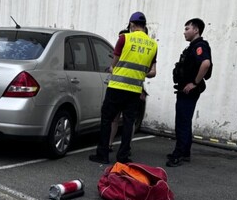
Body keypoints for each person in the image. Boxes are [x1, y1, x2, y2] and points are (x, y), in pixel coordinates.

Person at [89, 12, 157, 164]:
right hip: (135, 90)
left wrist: (113, 68)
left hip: (117, 87)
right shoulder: (153, 45)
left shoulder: (124, 38)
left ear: (132, 25)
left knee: (107, 119)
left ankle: (103, 154)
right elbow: (150, 70)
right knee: (128, 122)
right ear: (145, 26)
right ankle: (123, 156)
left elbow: (115, 62)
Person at [166, 18, 212, 167]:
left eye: (187, 29)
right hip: (184, 89)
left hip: (189, 91)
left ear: (196, 30)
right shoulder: (193, 47)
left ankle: (178, 155)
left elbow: (206, 63)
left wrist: (194, 83)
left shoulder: (200, 46)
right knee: (185, 121)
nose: (184, 32)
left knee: (182, 122)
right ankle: (185, 152)